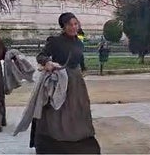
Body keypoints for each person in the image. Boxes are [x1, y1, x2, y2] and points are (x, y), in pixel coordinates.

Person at [32, 12, 100, 154]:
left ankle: (78, 137)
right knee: (57, 110)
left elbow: (80, 59)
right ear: (63, 26)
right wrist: (48, 62)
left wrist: (84, 69)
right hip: (60, 79)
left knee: (78, 109)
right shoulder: (55, 41)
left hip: (76, 81)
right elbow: (41, 56)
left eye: (75, 24)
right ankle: (54, 141)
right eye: (70, 24)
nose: (73, 27)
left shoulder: (79, 42)